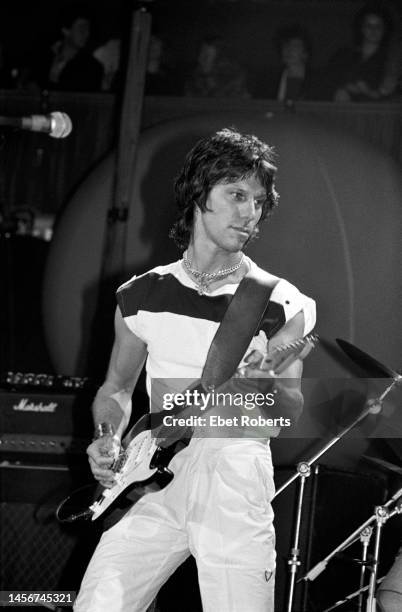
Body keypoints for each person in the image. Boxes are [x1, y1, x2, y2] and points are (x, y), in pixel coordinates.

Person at [74, 127, 316, 612]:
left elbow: (288, 407)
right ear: (198, 194)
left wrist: (262, 385)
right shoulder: (139, 295)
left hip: (232, 469)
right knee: (98, 603)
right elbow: (117, 389)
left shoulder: (278, 301)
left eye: (259, 201)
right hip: (154, 470)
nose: (250, 212)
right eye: (236, 195)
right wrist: (106, 435)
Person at [328, 1, 397, 102]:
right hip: (342, 112)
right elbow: (329, 80)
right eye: (369, 26)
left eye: (378, 26)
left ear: (384, 30)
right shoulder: (344, 55)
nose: (373, 30)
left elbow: (389, 94)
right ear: (362, 28)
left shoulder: (390, 60)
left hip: (374, 113)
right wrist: (343, 88)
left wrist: (366, 91)